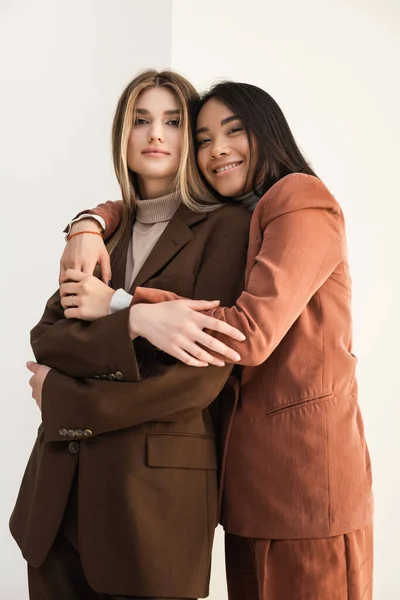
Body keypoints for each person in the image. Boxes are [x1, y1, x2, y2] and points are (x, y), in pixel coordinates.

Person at [61, 81, 374, 599]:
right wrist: (91, 221)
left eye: (234, 131)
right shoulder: (243, 215)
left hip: (306, 483)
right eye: (203, 139)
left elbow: (249, 336)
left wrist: (122, 306)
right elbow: (145, 202)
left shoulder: (299, 199)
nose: (217, 150)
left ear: (268, 133)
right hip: (245, 485)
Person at [9, 71, 252, 600]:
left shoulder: (226, 228)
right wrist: (138, 323)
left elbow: (199, 377)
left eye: (172, 121)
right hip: (56, 498)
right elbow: (50, 338)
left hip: (152, 506)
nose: (156, 135)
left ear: (191, 137)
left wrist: (71, 400)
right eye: (141, 121)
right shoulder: (101, 230)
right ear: (123, 134)